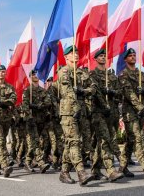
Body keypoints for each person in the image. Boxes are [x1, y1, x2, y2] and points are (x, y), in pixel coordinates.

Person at [57, 46, 94, 186]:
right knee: (73, 142)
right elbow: (67, 92)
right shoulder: (64, 71)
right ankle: (81, 173)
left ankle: (64, 172)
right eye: (72, 53)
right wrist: (76, 106)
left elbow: (93, 88)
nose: (76, 55)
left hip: (82, 111)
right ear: (66, 57)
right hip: (69, 112)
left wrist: (82, 90)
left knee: (73, 142)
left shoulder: (82, 72)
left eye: (77, 52)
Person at [118, 48, 144, 180]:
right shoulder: (123, 75)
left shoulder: (142, 76)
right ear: (125, 59)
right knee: (138, 137)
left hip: (141, 113)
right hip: (130, 112)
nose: (133, 57)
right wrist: (140, 106)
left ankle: (122, 166)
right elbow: (128, 93)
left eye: (135, 55)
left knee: (131, 140)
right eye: (130, 56)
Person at [89, 49, 125, 182]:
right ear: (96, 59)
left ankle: (95, 170)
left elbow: (120, 93)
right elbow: (94, 93)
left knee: (102, 140)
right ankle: (110, 170)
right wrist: (103, 103)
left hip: (111, 112)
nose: (103, 58)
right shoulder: (92, 75)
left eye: (105, 56)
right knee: (105, 139)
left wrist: (111, 92)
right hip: (98, 112)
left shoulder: (112, 76)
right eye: (101, 56)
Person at [21, 70, 51, 173]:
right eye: (33, 74)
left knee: (37, 142)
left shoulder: (43, 91)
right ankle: (41, 162)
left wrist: (37, 106)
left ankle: (27, 162)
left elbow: (47, 102)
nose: (35, 76)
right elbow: (24, 105)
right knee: (35, 141)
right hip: (31, 119)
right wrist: (30, 113)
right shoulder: (27, 91)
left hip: (41, 119)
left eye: (36, 74)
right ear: (30, 77)